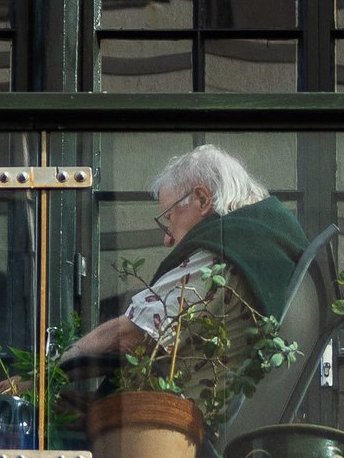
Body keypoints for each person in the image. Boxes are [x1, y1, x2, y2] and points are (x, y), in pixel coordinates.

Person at [65, 146, 308, 371]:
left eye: (169, 217)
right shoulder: (270, 233)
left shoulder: (222, 252)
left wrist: (52, 368)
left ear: (202, 200)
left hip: (192, 412)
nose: (167, 240)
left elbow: (130, 334)